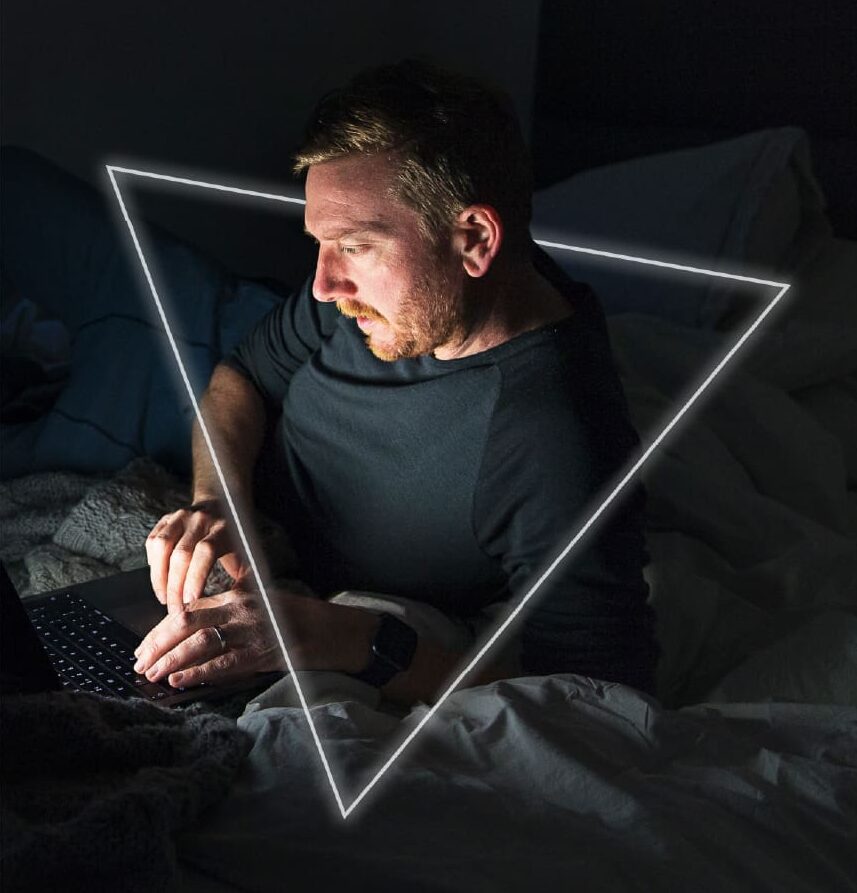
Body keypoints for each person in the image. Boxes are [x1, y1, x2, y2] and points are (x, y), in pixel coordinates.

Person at [133, 60, 660, 706]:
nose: (324, 285)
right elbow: (239, 375)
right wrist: (217, 501)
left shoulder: (555, 440)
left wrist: (346, 637)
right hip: (212, 365)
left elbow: (601, 700)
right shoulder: (395, 291)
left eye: (355, 247)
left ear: (474, 239)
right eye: (322, 243)